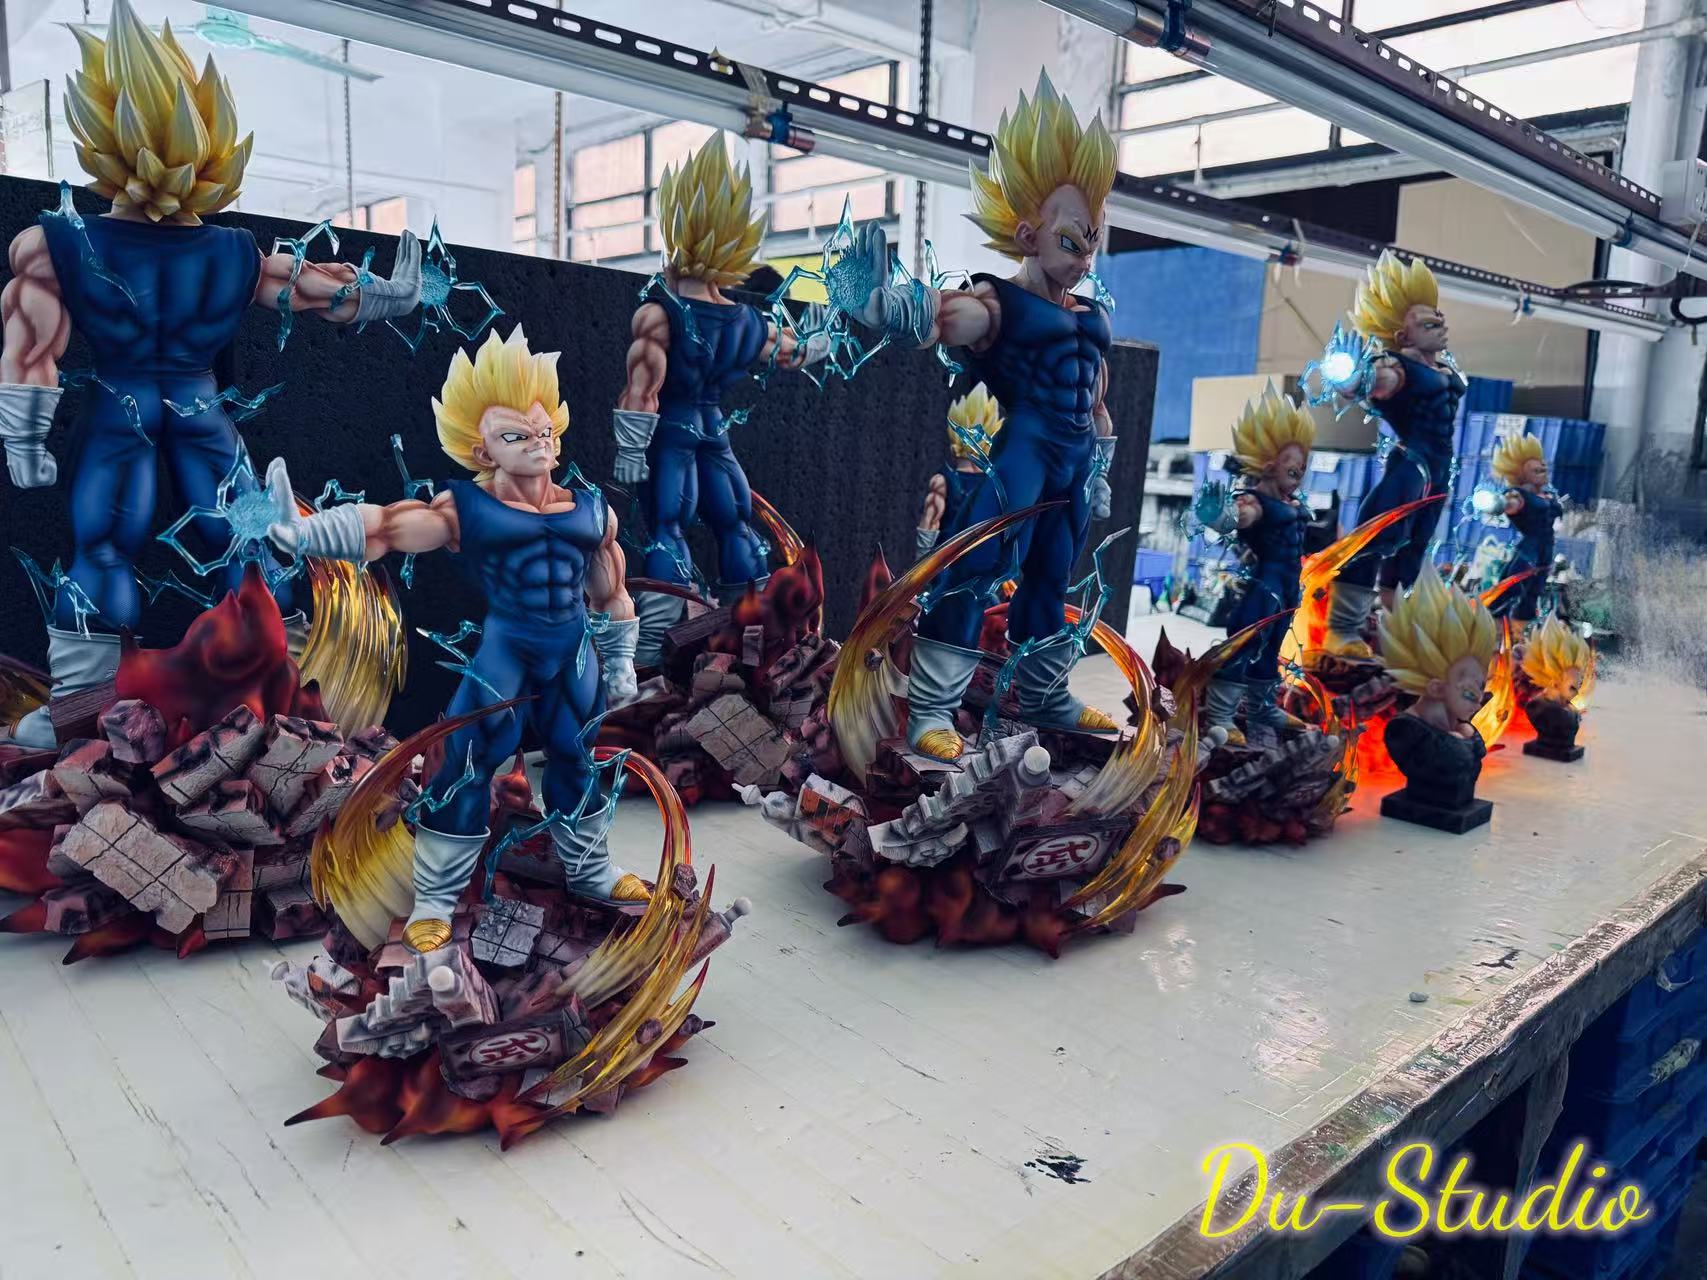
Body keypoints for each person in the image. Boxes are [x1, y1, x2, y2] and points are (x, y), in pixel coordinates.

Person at [0, 0, 421, 747]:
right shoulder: (232, 254)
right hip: (194, 407)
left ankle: (104, 708)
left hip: (125, 404)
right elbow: (316, 289)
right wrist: (392, 295)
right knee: (246, 542)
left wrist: (24, 439)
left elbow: (32, 349)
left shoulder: (61, 244)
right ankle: (246, 694)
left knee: (137, 546)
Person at [265, 327, 646, 955]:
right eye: (516, 435)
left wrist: (624, 659)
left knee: (576, 757)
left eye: (543, 429)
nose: (538, 442)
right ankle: (436, 900)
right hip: (508, 647)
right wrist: (306, 535)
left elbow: (613, 590)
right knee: (468, 762)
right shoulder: (466, 508)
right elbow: (389, 528)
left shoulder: (590, 510)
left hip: (572, 650)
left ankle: (591, 872)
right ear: (482, 449)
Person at [842, 72, 1120, 761]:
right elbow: (945, 317)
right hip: (1023, 446)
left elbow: (1096, 395)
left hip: (1074, 457)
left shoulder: (1093, 316)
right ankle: (931, 711)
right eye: (1071, 240)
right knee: (976, 562)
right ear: (1027, 233)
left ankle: (1044, 692)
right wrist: (883, 304)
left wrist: (1102, 463)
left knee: (1053, 572)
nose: (1084, 255)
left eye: (1091, 240)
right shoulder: (998, 301)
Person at [612, 136, 825, 666]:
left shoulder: (658, 314)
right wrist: (826, 339)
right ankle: (750, 643)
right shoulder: (749, 322)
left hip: (672, 434)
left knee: (667, 531)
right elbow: (797, 352)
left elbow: (643, 389)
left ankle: (655, 658)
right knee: (735, 527)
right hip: (715, 432)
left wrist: (631, 450)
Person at [1324, 252, 1461, 659]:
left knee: (1414, 548)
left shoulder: (1444, 369)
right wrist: (1353, 381)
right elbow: (1372, 382)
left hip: (1438, 472)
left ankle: (1394, 630)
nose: (1441, 328)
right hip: (1411, 466)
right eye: (1429, 324)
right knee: (1376, 538)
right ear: (1403, 336)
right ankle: (1342, 629)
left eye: (1440, 320)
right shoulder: (1397, 368)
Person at [1194, 383, 1313, 745]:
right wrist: (1218, 516)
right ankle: (1220, 714)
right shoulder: (1255, 501)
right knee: (1244, 643)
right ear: (1269, 464)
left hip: (1288, 588)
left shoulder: (1291, 503)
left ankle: (1261, 707)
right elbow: (1237, 517)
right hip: (1264, 586)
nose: (1300, 469)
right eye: (1293, 462)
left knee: (1272, 647)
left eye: (1303, 463)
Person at [915, 383, 1003, 561]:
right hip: (981, 569)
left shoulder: (941, 482)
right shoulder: (998, 486)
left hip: (948, 567)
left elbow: (929, 525)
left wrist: (919, 574)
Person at [1490, 432, 1562, 631]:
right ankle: (1494, 627)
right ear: (1522, 474)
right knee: (1512, 587)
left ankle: (1519, 631)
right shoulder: (1519, 495)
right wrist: (1503, 503)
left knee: (1532, 595)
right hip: (1529, 550)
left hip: (1545, 552)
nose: (1543, 469)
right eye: (1536, 469)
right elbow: (1510, 502)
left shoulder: (1547, 494)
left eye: (1543, 466)